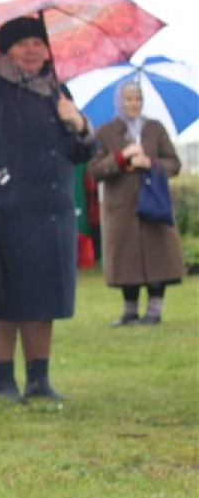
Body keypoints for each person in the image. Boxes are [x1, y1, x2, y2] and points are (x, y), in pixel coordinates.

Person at [0, 16, 94, 402]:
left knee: (42, 297)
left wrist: (78, 122)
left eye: (37, 42)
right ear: (4, 49)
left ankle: (38, 380)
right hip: (3, 211)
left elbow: (82, 151)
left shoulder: (56, 89)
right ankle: (4, 383)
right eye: (22, 43)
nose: (32, 50)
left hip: (51, 213)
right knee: (0, 297)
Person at [87, 80, 185, 325]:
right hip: (121, 207)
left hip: (153, 202)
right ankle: (129, 310)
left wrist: (149, 163)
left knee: (157, 254)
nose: (134, 104)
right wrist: (120, 158)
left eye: (137, 99)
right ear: (119, 102)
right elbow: (94, 170)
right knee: (125, 258)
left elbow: (174, 164)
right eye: (128, 99)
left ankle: (155, 310)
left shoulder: (155, 129)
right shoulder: (105, 132)